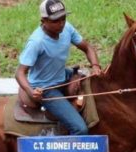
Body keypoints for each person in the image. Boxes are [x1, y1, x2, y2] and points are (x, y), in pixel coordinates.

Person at [15, 0, 101, 135]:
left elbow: (87, 48)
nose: (61, 23)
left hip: (62, 74)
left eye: (64, 18)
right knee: (80, 129)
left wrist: (95, 66)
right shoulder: (37, 42)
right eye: (56, 21)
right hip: (46, 88)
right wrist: (31, 92)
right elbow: (20, 73)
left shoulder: (67, 28)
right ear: (43, 20)